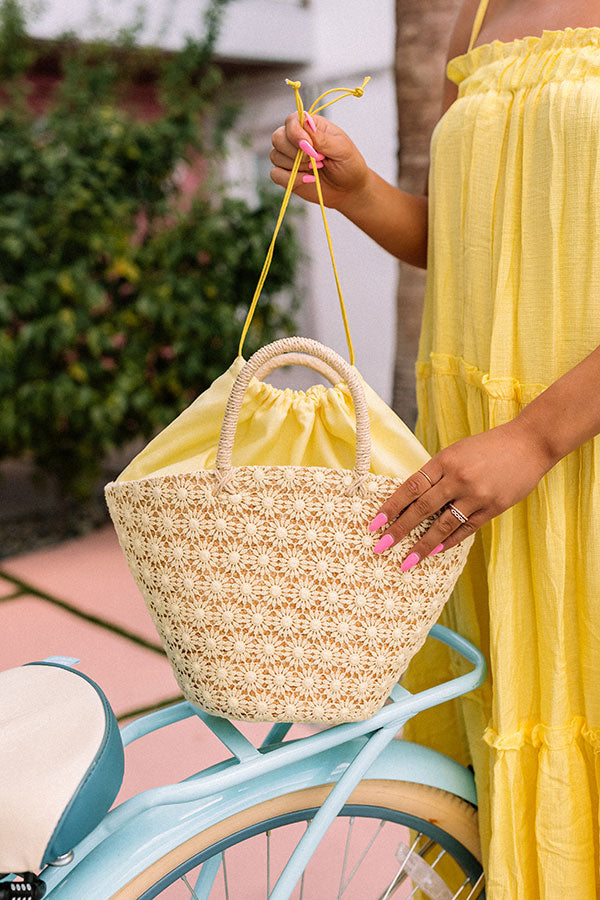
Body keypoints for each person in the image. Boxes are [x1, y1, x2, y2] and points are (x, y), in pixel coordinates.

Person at [270, 0, 600, 896]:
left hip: (575, 455)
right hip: (482, 468)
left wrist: (535, 435)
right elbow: (478, 244)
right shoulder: (479, 13)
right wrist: (359, 192)